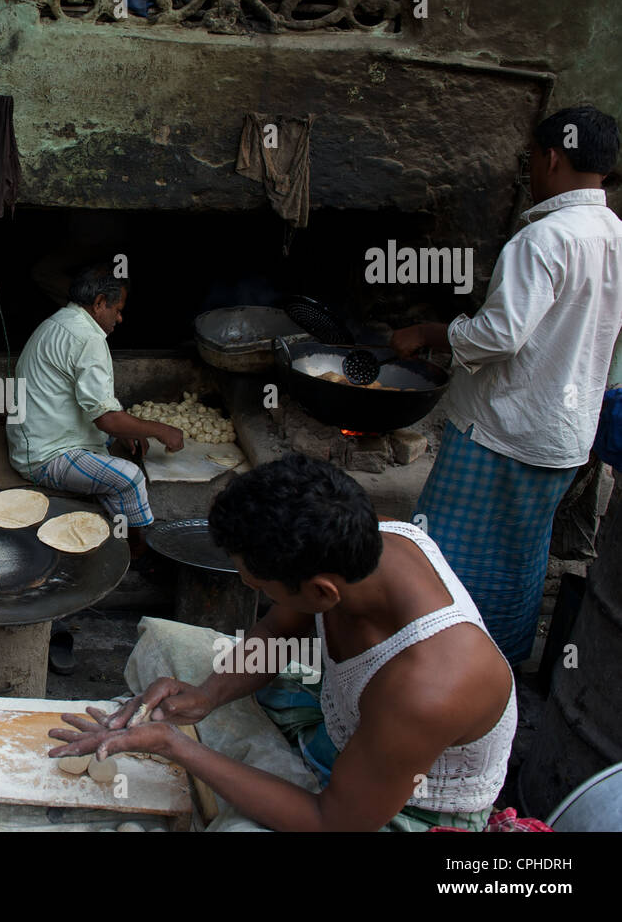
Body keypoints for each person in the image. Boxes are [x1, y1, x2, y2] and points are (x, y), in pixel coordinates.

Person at [50, 454, 517, 831]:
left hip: (392, 805)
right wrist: (206, 697)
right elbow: (278, 631)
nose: (260, 597)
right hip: (348, 722)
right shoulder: (350, 541)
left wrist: (179, 748)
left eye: (263, 588)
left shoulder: (428, 688)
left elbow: (331, 821)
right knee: (165, 641)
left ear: (320, 592)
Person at [390, 105, 622, 665]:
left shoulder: (543, 238)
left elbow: (499, 336)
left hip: (503, 433)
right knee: (517, 562)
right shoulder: (614, 232)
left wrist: (430, 331)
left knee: (441, 557)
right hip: (564, 436)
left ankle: (435, 664)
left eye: (532, 161)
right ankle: (501, 669)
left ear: (550, 158)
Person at [5, 266, 184, 555]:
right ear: (100, 303)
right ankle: (136, 552)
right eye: (118, 309)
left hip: (37, 437)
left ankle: (112, 532)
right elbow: (107, 420)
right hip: (46, 456)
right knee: (130, 478)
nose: (120, 318)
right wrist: (161, 430)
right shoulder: (88, 338)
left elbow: (99, 405)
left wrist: (126, 430)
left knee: (123, 438)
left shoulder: (60, 322)